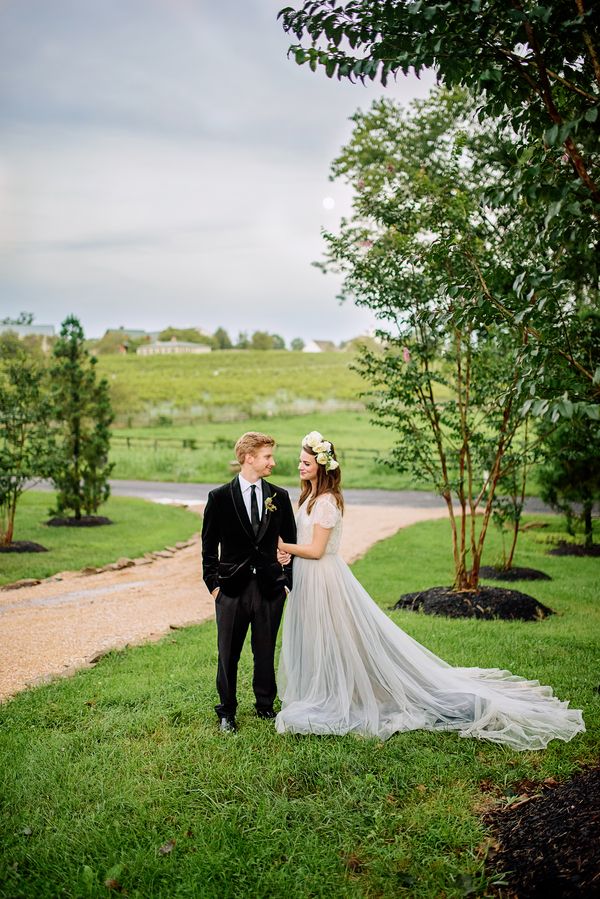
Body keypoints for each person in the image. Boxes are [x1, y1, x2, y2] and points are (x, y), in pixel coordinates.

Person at [275, 431, 585, 750]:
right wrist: (288, 552)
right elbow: (305, 544)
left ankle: (347, 692)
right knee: (318, 635)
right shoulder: (308, 497)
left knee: (336, 636)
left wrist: (283, 545)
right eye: (300, 462)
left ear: (322, 466)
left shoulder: (326, 502)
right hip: (308, 577)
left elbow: (316, 549)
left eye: (306, 462)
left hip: (324, 577)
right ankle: (328, 688)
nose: (300, 467)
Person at [202, 431, 296, 733]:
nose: (273, 462)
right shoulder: (218, 498)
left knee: (265, 649)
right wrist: (215, 586)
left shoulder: (279, 497)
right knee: (228, 652)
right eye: (268, 456)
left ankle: (265, 705)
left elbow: (291, 543)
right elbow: (208, 548)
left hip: (270, 587)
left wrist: (286, 582)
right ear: (248, 457)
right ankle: (227, 711)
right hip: (231, 589)